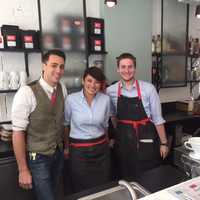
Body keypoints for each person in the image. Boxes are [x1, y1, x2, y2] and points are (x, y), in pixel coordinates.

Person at [12, 49, 67, 200]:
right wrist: (23, 170)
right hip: (38, 158)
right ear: (44, 66)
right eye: (54, 65)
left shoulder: (63, 88)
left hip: (58, 153)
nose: (58, 70)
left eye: (61, 67)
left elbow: (61, 122)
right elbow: (17, 132)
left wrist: (65, 147)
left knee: (55, 194)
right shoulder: (26, 92)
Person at [106, 53, 169, 180]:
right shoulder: (110, 91)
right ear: (118, 69)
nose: (127, 70)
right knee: (126, 178)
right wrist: (119, 134)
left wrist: (164, 143)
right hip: (124, 145)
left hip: (146, 143)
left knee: (149, 178)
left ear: (135, 68)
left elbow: (157, 119)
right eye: (123, 67)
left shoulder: (149, 89)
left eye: (130, 67)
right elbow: (113, 116)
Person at [64, 67, 111, 193]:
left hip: (101, 150)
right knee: (80, 186)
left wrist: (107, 142)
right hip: (79, 151)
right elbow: (66, 125)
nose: (92, 85)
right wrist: (67, 147)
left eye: (97, 82)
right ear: (83, 81)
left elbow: (106, 125)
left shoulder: (105, 100)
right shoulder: (71, 100)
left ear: (101, 84)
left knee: (102, 185)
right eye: (89, 81)